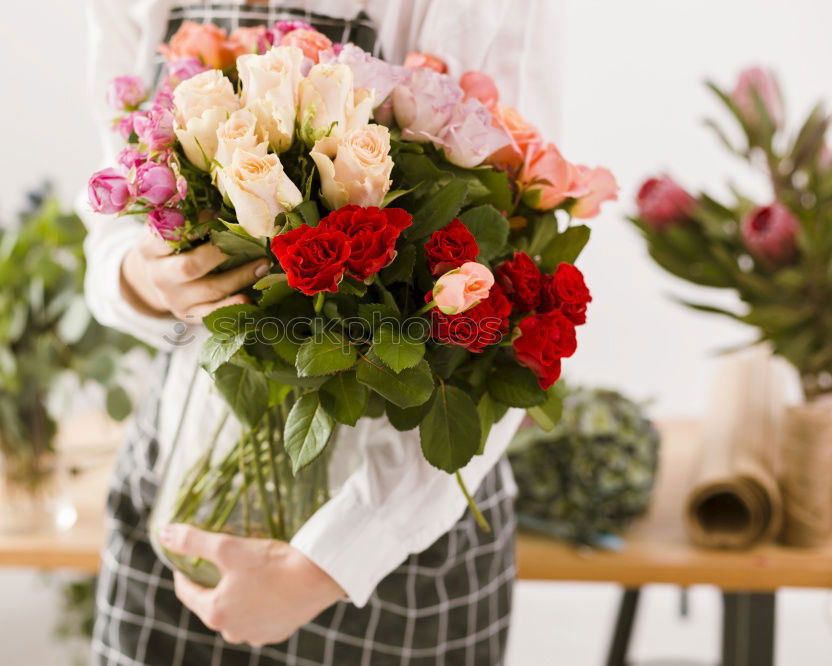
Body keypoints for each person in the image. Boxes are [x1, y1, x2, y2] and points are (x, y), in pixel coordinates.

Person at [80, 1, 564, 664]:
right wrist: (142, 278)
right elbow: (114, 217)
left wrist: (329, 562)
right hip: (178, 489)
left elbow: (508, 294)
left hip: (384, 554)